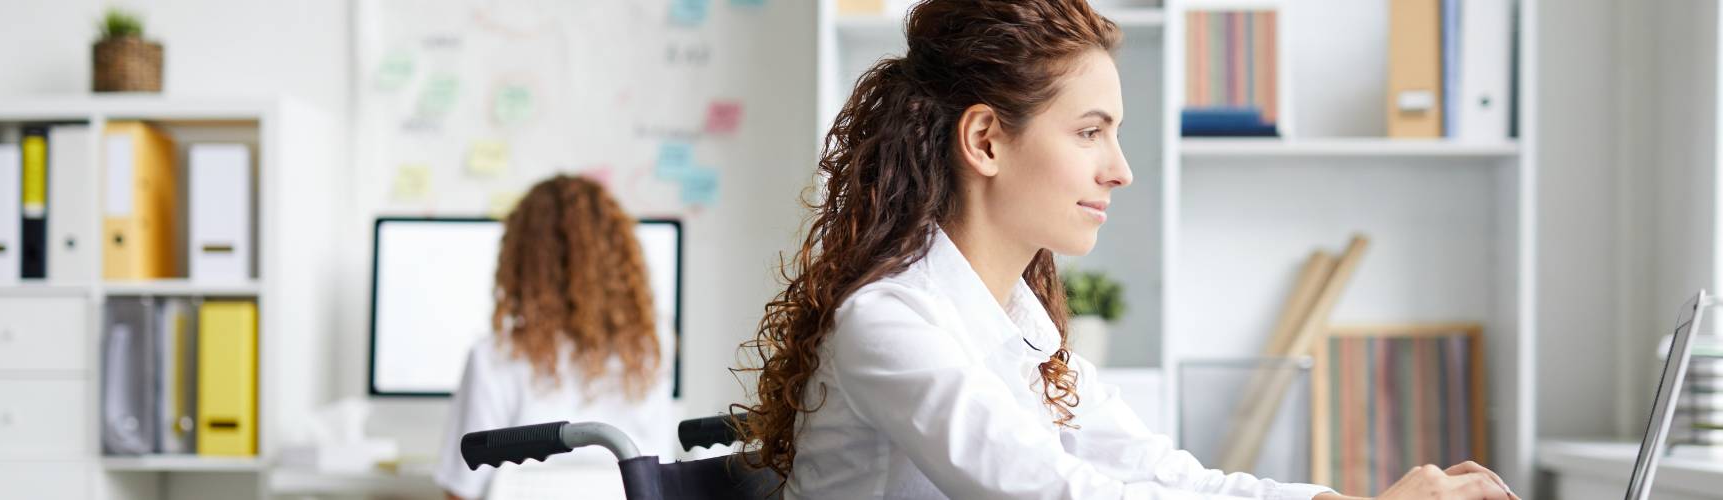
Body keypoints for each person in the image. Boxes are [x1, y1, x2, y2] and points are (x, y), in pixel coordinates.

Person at [734, 1, 1518, 499]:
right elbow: (1053, 492)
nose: (1120, 169)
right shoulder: (890, 322)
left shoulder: (1018, 328)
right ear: (986, 140)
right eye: (1090, 132)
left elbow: (1160, 475)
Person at [435, 175, 674, 499]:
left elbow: (461, 488)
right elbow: (658, 473)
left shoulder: (494, 356)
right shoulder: (647, 352)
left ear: (522, 261)